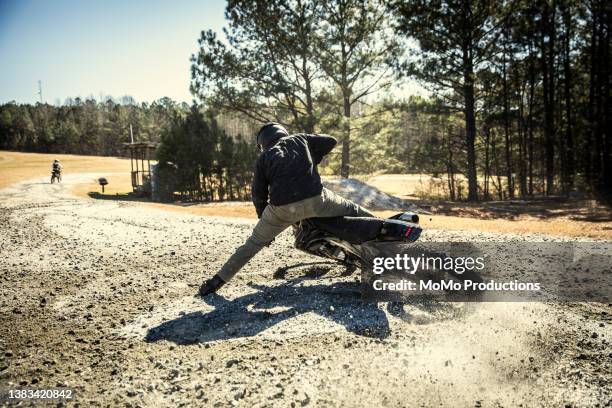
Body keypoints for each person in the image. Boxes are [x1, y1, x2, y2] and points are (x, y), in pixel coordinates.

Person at [198, 122, 375, 297]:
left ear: (262, 143)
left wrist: (266, 223)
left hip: (281, 209)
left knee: (252, 245)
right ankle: (386, 226)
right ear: (283, 132)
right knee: (353, 210)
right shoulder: (300, 139)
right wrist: (312, 156)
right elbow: (331, 141)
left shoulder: (264, 157)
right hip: (317, 200)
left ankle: (215, 283)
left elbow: (258, 195)